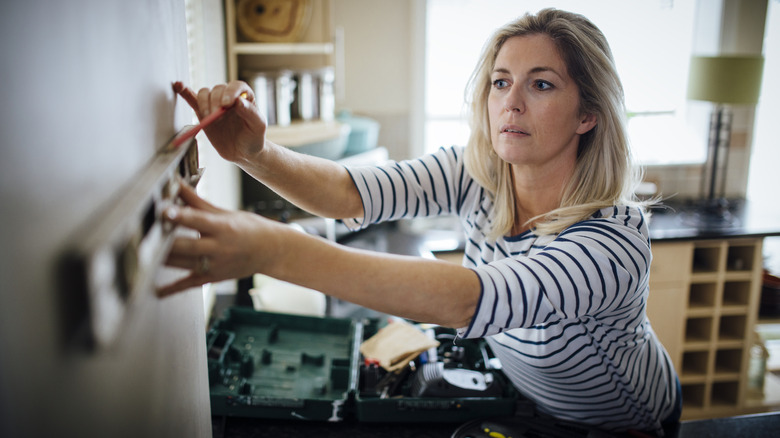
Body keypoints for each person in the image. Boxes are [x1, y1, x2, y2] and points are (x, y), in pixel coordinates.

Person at [161, 8, 680, 435]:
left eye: (541, 85)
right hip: (526, 399)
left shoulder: (612, 241)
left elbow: (468, 299)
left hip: (621, 424)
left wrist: (275, 250)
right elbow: (350, 191)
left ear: (587, 114)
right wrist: (255, 154)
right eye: (501, 82)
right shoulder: (479, 171)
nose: (511, 103)